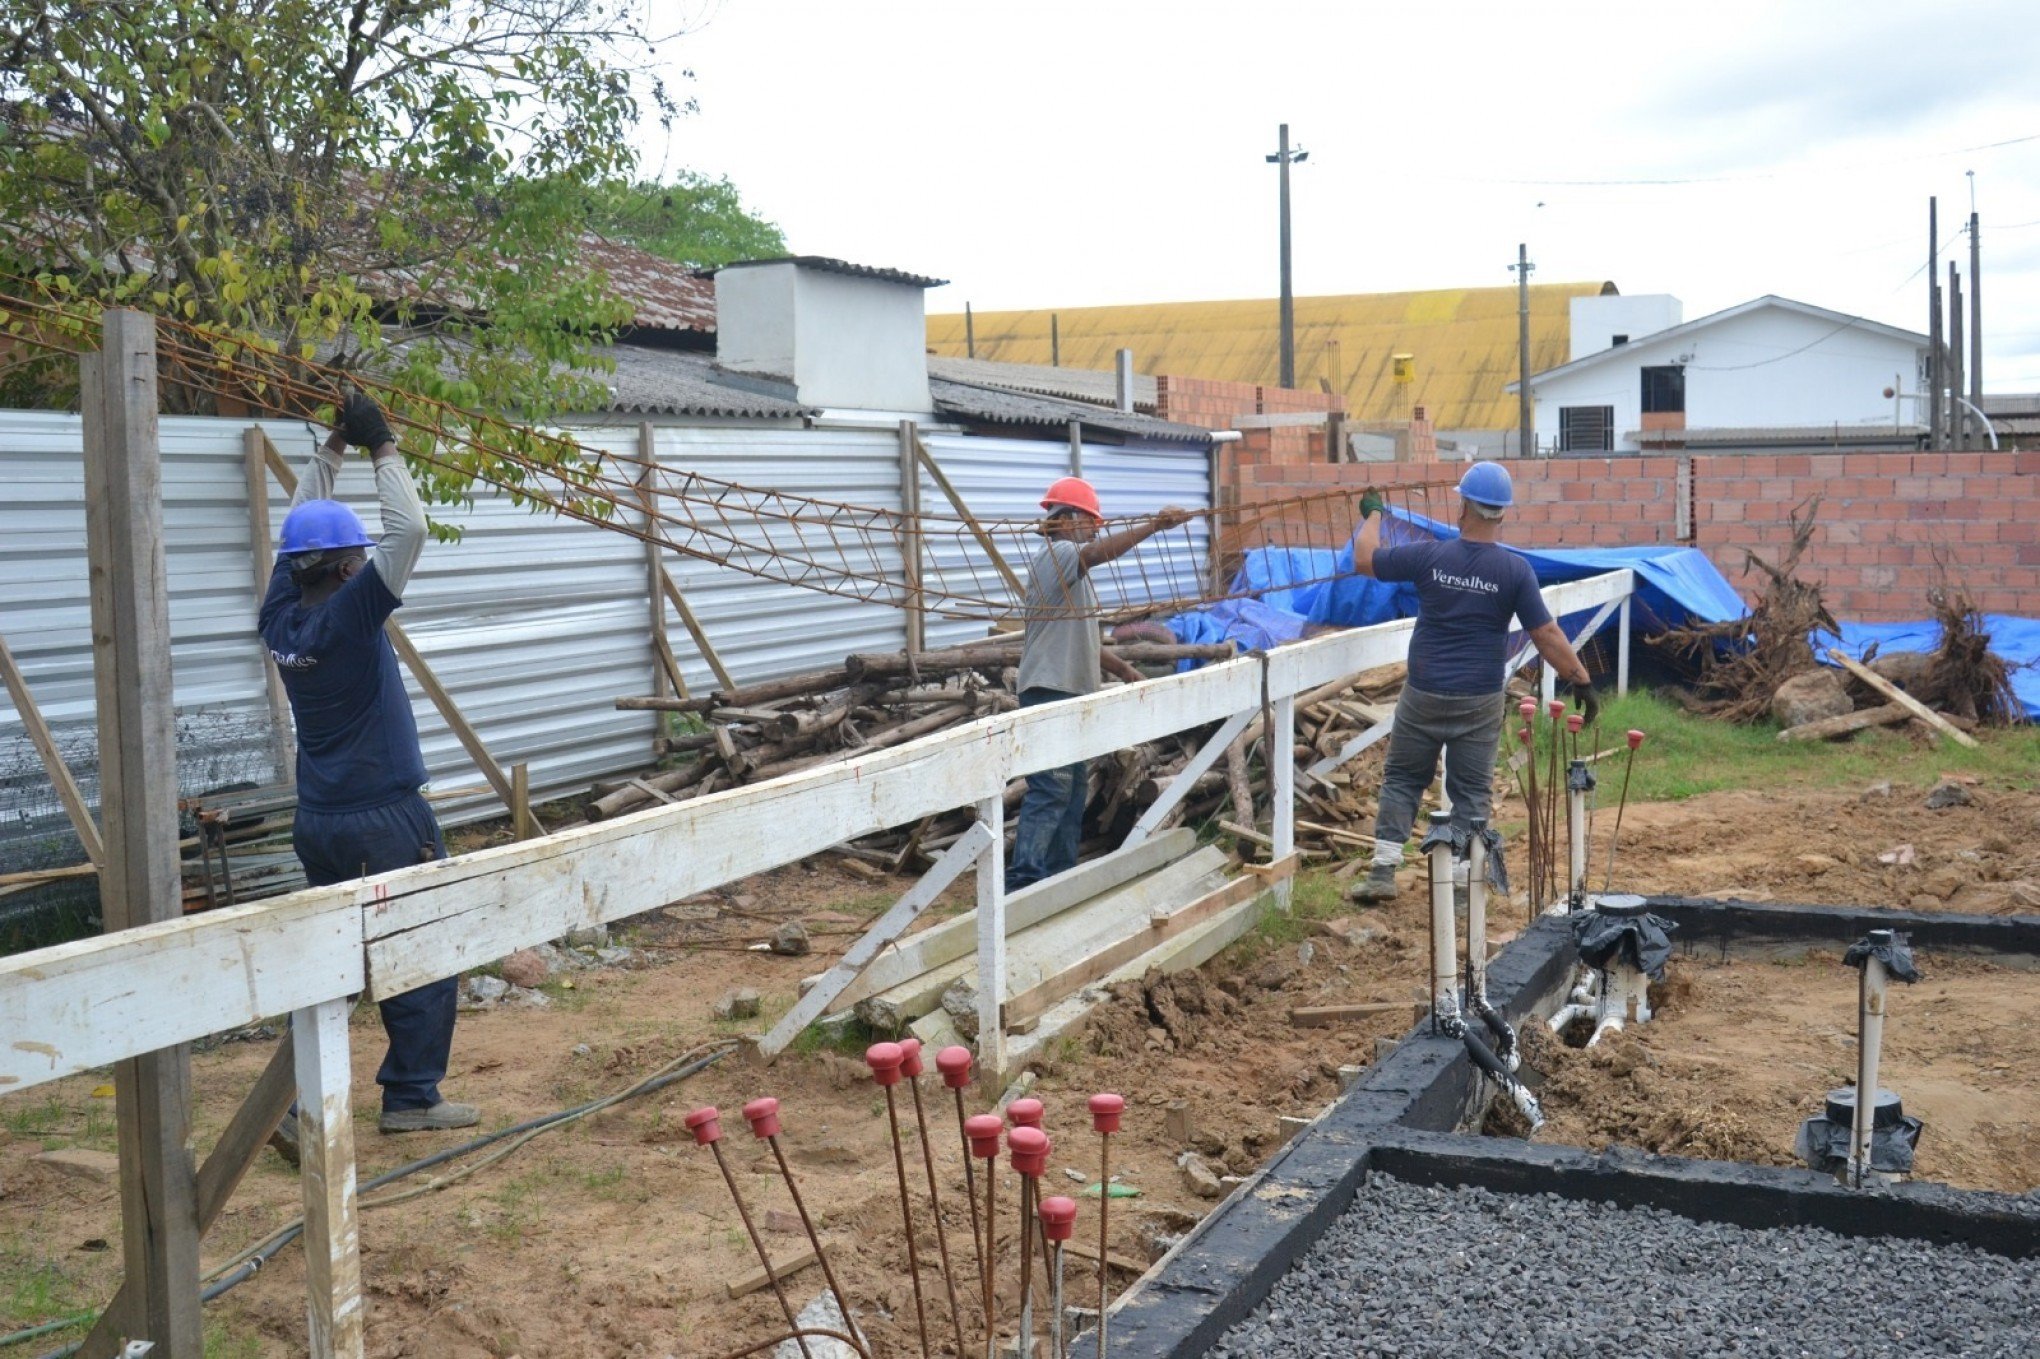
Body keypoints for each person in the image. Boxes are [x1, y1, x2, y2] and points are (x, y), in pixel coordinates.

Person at [262, 393, 477, 1155]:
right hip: (383, 818)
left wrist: (331, 451)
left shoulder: (280, 619)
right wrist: (382, 444)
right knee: (423, 944)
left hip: (317, 820)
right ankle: (413, 1097)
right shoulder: (353, 615)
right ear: (352, 566)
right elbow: (410, 528)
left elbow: (296, 531)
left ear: (293, 569)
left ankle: (287, 1109)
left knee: (328, 964)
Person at [1345, 461, 1598, 903]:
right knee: (1471, 791)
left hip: (1423, 691)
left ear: (1463, 505)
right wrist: (1579, 678)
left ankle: (1383, 871)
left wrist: (1373, 514)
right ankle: (1463, 885)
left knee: (1403, 776)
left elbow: (1364, 559)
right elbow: (1546, 633)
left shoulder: (1430, 556)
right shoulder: (1514, 571)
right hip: (1479, 698)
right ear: (1503, 514)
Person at [1006, 477, 1191, 892]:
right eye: (1091, 521)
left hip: (1068, 689)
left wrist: (1123, 670)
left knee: (1070, 794)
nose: (1096, 530)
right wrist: (1153, 527)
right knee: (1051, 788)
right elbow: (1096, 553)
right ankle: (1023, 885)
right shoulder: (1060, 554)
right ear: (1068, 520)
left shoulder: (1070, 571)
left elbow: (1083, 637)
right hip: (1050, 689)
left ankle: (1057, 882)